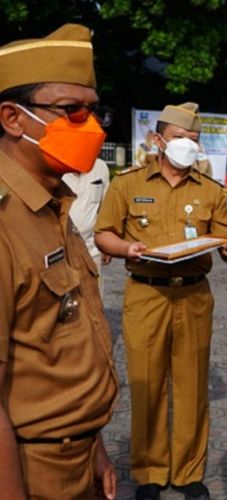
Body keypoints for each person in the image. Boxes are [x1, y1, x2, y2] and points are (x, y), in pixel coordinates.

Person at [94, 102, 227, 500]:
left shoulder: (210, 190)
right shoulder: (128, 184)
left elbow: (225, 237)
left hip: (194, 293)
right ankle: (149, 473)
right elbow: (103, 233)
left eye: (195, 141)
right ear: (157, 140)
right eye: (181, 139)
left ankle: (189, 472)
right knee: (147, 385)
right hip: (146, 293)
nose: (189, 147)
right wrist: (127, 248)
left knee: (192, 385)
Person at [0, 23, 118, 499]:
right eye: (70, 111)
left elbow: (62, 348)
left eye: (92, 111)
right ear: (13, 118)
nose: (91, 126)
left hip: (77, 454)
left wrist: (96, 445)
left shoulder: (54, 204)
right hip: (28, 469)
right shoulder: (6, 220)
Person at [63, 157, 111, 275]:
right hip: (61, 253)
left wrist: (107, 244)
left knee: (94, 292)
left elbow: (105, 207)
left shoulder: (100, 167)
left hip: (91, 250)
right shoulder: (54, 168)